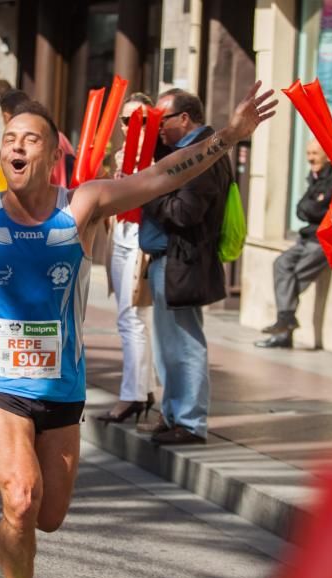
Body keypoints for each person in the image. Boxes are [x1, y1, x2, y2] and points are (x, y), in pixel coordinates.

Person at [0, 53, 274, 578]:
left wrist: (228, 135)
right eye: (8, 139)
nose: (16, 147)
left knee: (48, 517)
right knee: (19, 498)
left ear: (54, 154)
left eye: (31, 140)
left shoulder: (84, 206)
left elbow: (164, 175)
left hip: (61, 390)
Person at [136, 89, 234, 447]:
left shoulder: (201, 155)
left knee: (186, 342)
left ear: (184, 118)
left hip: (185, 261)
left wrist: (148, 189)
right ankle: (174, 414)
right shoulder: (185, 153)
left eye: (162, 120)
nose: (157, 128)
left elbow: (184, 213)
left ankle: (191, 422)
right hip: (172, 261)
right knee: (167, 345)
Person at [255, 140, 332, 348]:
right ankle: (286, 322)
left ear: (327, 156)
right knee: (281, 264)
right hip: (311, 236)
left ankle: (284, 328)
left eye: (315, 153)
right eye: (308, 153)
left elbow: (314, 210)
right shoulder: (315, 178)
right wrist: (315, 206)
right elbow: (301, 209)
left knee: (293, 276)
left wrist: (314, 207)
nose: (310, 157)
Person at [95, 92, 156, 424]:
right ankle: (143, 390)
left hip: (141, 241)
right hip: (119, 235)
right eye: (126, 120)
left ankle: (133, 395)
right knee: (131, 318)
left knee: (133, 317)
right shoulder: (119, 155)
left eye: (142, 120)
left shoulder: (158, 156)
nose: (133, 127)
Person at [0, 88, 75, 186]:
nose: (17, 147)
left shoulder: (56, 138)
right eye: (10, 140)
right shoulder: (60, 137)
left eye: (31, 140)